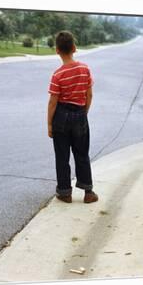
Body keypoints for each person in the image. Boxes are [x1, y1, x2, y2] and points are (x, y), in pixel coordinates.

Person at [47, 31, 98, 204]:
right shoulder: (85, 69)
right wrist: (84, 113)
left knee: (62, 156)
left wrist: (49, 125)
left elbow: (53, 102)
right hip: (80, 114)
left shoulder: (57, 75)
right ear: (74, 48)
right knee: (82, 153)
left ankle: (65, 193)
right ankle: (88, 192)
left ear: (57, 51)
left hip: (61, 116)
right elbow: (89, 95)